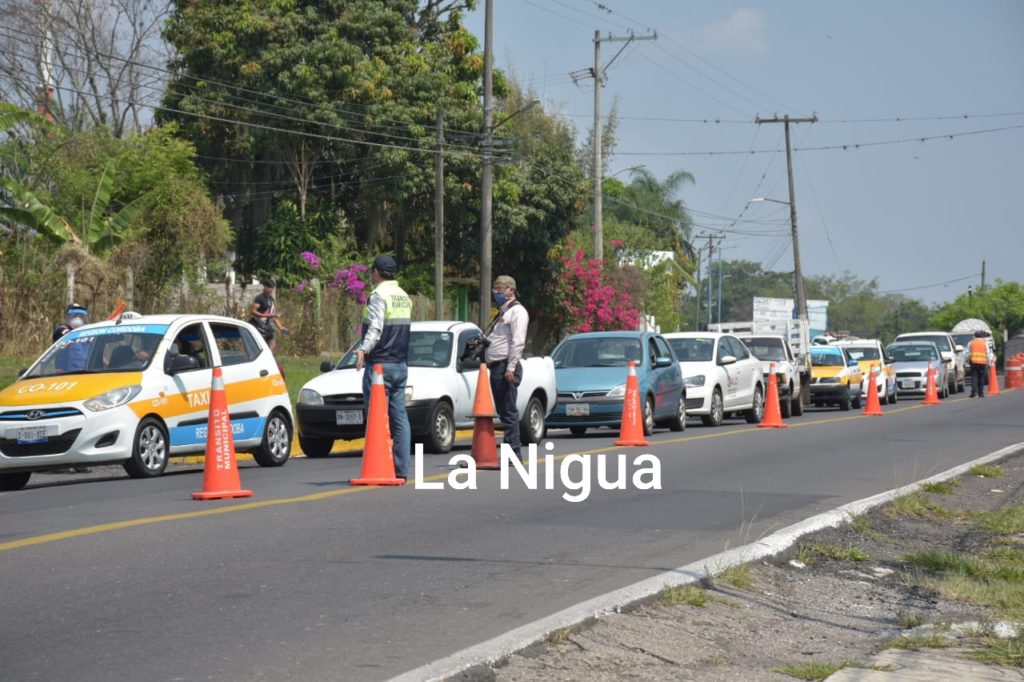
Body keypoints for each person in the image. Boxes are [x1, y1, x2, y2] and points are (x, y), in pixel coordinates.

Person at [354, 255, 413, 480]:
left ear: (377, 271)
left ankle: (379, 465)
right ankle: (401, 469)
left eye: (372, 271)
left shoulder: (378, 295)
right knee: (399, 418)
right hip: (400, 364)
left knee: (376, 418)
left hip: (380, 366)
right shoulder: (404, 297)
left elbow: (376, 328)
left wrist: (363, 349)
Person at [484, 275, 530, 461]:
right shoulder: (503, 312)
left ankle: (514, 453)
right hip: (497, 367)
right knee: (504, 412)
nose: (497, 292)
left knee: (509, 411)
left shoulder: (518, 312)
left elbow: (518, 341)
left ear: (512, 290)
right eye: (495, 288)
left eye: (501, 288)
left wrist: (510, 368)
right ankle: (510, 451)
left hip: (505, 367)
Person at [249, 278, 288, 351]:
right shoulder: (260, 298)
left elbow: (273, 315)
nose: (271, 289)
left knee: (272, 344)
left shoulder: (271, 299)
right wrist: (266, 315)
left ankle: (268, 359)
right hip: (259, 326)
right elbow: (252, 311)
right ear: (265, 287)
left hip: (269, 326)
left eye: (272, 288)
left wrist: (280, 327)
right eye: (270, 287)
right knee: (260, 348)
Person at [967, 330, 995, 398]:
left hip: (973, 362)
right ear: (981, 336)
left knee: (974, 377)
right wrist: (989, 363)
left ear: (975, 336)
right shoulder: (984, 343)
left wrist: (966, 361)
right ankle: (981, 393)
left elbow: (967, 353)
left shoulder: (971, 342)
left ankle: (974, 392)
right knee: (981, 378)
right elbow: (988, 353)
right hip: (982, 363)